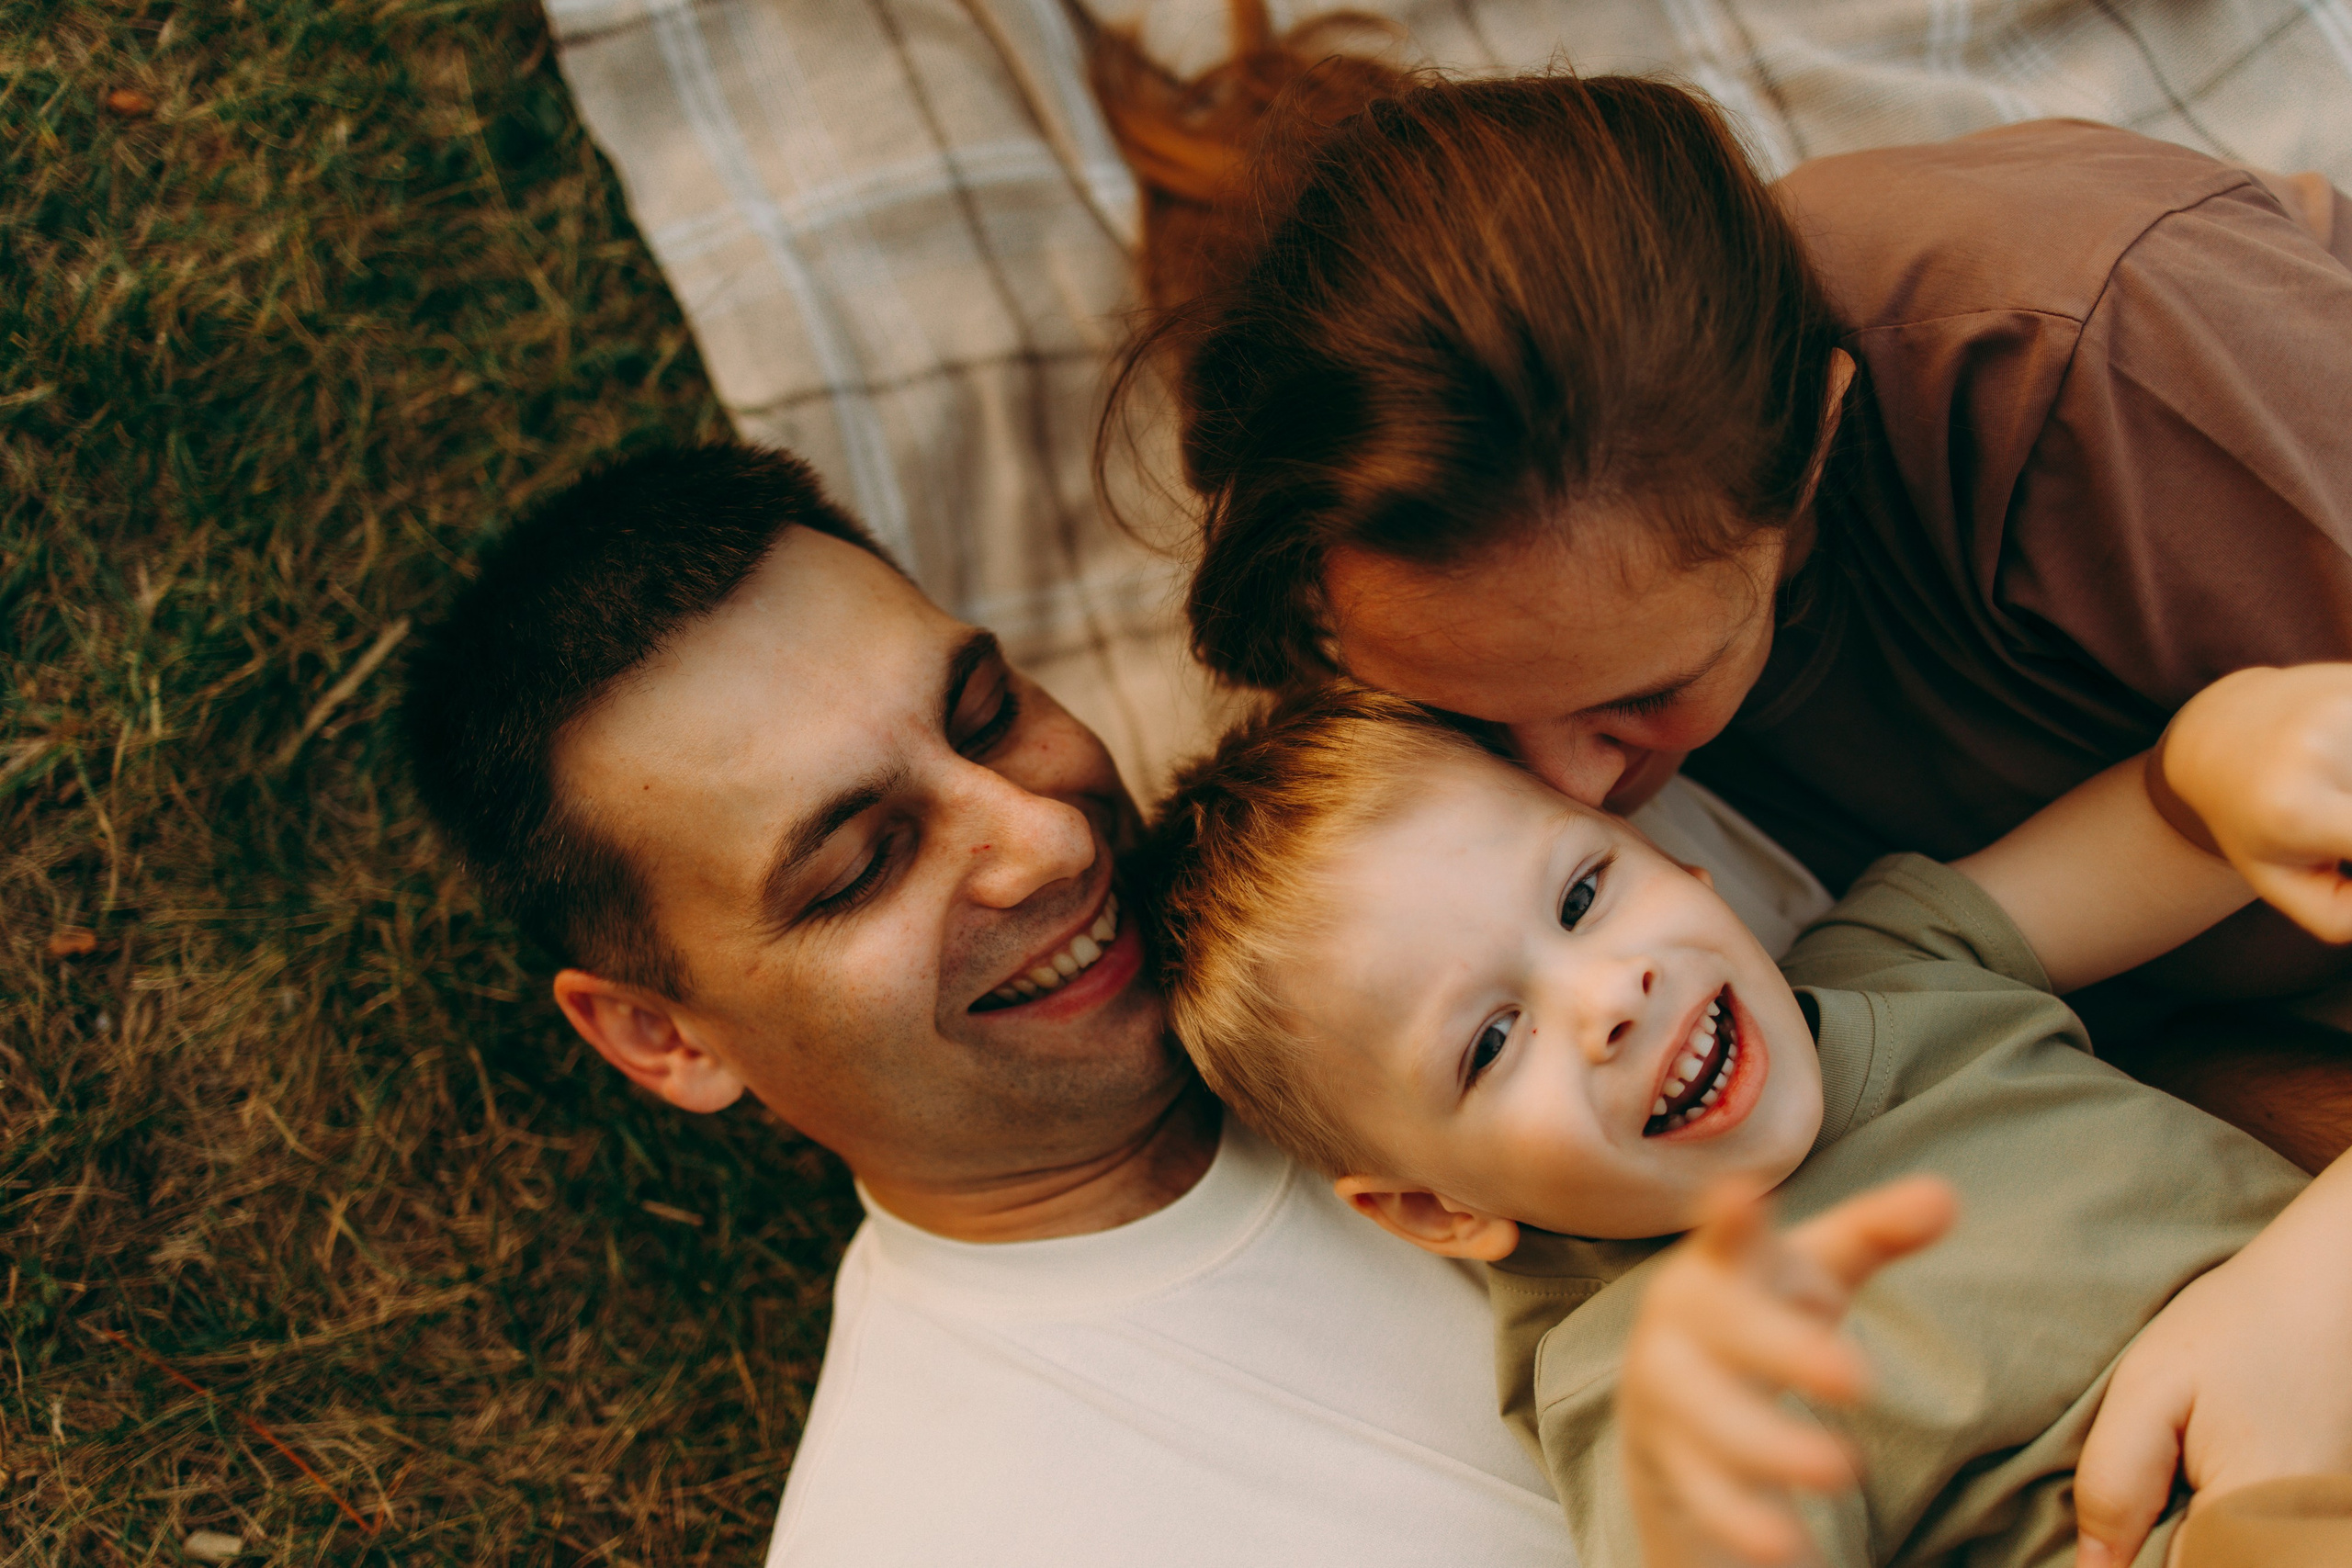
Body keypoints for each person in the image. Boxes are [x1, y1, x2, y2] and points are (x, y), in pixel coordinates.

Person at [398, 441, 1586, 1565]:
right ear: (662, 1038)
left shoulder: (1466, 815)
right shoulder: (939, 1533)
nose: (1053, 838)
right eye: (863, 864)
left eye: (988, 716)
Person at [1096, 28, 2352, 1039]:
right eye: (1464, 706)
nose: (1571, 796)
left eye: (1641, 697)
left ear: (1818, 442)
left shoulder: (2102, 341)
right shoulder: (1401, 581)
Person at [1138, 671, 2352, 1568]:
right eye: (1493, 1042)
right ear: (1435, 1209)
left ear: (1678, 867)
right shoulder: (1654, 1371)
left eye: (1582, 894)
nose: (1609, 997)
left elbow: (2170, 826)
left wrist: (2224, 749)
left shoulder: (1896, 963)